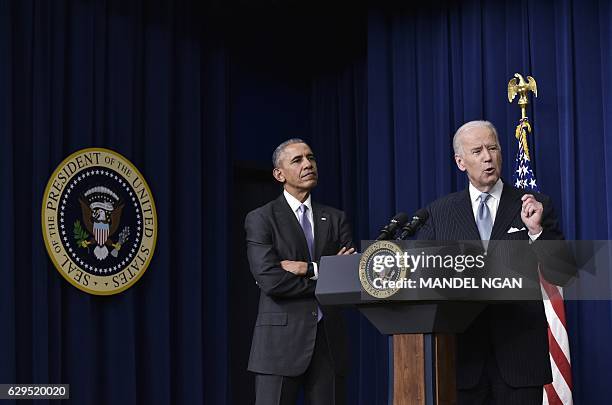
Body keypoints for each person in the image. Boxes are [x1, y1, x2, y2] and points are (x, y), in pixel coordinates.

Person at [417, 120, 575, 405]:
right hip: (462, 359)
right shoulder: (438, 214)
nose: (488, 157)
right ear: (460, 162)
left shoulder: (533, 204)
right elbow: (426, 278)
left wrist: (538, 232)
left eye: (493, 148)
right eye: (477, 151)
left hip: (519, 358)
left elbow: (562, 272)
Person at [245, 138, 355, 405]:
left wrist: (308, 268)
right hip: (279, 346)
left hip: (328, 344)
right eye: (298, 160)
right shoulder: (261, 218)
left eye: (311, 158)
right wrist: (328, 275)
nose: (308, 164)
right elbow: (270, 280)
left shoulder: (336, 217)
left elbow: (351, 276)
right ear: (279, 174)